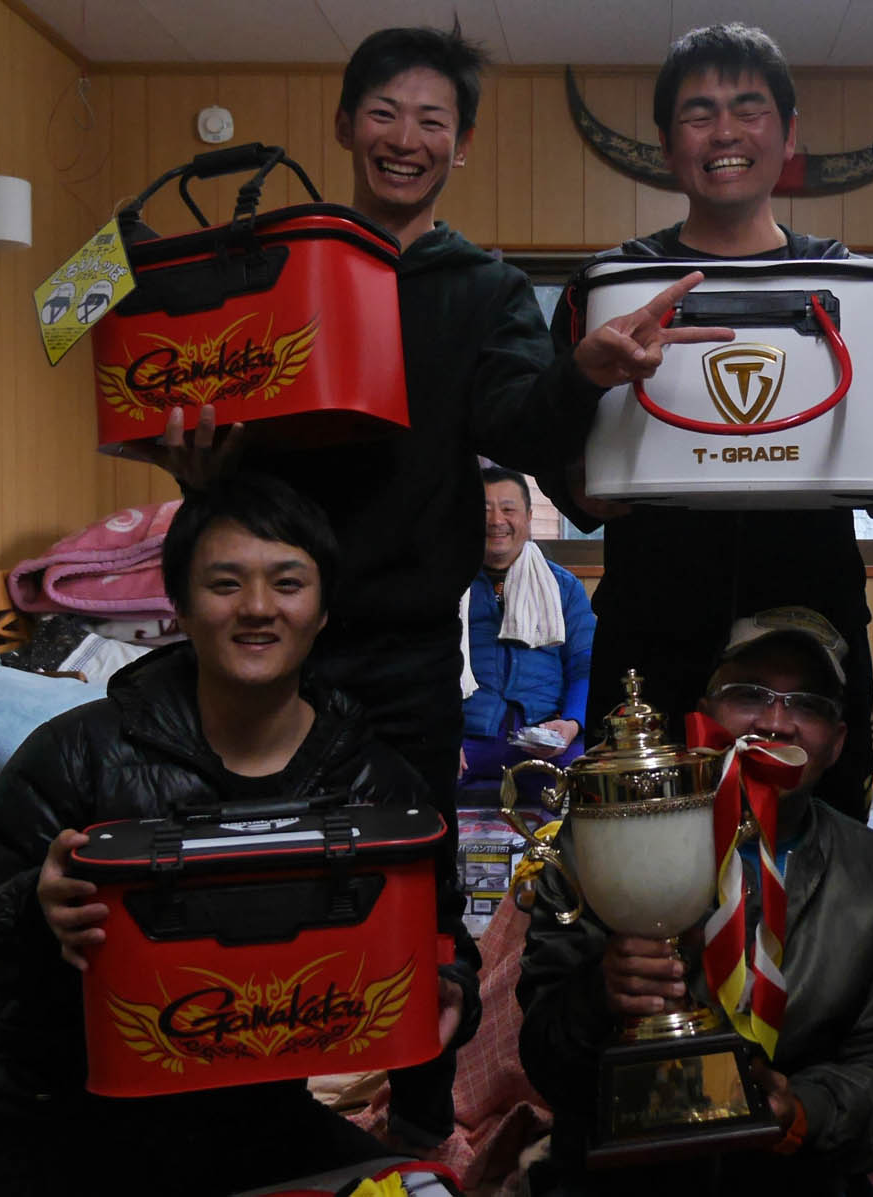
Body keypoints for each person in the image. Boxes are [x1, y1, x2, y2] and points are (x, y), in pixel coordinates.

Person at [147, 26, 726, 1141]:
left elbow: (519, 421)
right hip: (270, 645)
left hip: (408, 647)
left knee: (414, 890)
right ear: (344, 125)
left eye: (431, 121)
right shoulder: (280, 263)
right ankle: (260, 1130)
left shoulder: (484, 289)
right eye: (383, 113)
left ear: (459, 146)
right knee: (257, 887)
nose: (404, 139)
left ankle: (421, 1125)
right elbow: (227, 425)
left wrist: (582, 374)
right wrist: (198, 470)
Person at [0, 474, 473, 1196]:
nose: (257, 607)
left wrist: (454, 989)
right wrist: (33, 907)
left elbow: (444, 939)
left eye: (287, 583)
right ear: (178, 605)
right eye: (225, 583)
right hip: (63, 1124)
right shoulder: (75, 755)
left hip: (255, 1121)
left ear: (323, 609)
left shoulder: (373, 781)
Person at [540, 23, 873, 821]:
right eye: (698, 113)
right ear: (667, 144)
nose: (725, 131)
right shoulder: (609, 286)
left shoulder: (849, 283)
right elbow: (558, 445)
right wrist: (579, 484)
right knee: (639, 851)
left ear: (788, 134)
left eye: (749, 109)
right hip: (653, 624)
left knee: (821, 852)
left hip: (814, 624)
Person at [517, 606, 873, 1196]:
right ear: (704, 714)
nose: (776, 722)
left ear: (837, 742)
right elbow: (544, 1062)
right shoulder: (600, 843)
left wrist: (805, 1111)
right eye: (749, 694)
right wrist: (596, 997)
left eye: (807, 704)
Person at [461, 466, 596, 790]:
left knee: (589, 779)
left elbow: (585, 664)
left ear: (529, 516)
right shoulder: (449, 585)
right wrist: (440, 736)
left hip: (545, 735)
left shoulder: (563, 586)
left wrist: (571, 723)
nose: (496, 521)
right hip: (466, 737)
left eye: (508, 509)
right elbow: (426, 666)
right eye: (484, 510)